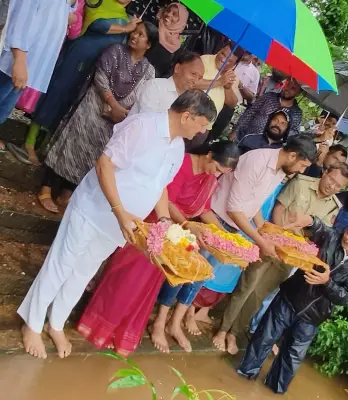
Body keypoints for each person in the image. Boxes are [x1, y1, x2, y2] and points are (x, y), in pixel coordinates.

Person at [17, 89, 217, 360]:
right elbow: (104, 164)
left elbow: (160, 187)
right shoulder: (142, 127)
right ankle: (32, 323)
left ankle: (55, 323)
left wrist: (165, 221)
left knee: (83, 272)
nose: (203, 131)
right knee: (62, 262)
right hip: (95, 209)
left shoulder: (177, 147)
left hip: (121, 223)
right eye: (202, 124)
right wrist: (120, 211)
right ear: (186, 116)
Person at [78, 141, 240, 356]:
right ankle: (100, 325)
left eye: (222, 173)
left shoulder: (209, 179)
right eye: (218, 169)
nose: (217, 175)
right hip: (154, 225)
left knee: (147, 284)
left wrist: (226, 236)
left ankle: (121, 330)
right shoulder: (182, 163)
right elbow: (167, 200)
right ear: (209, 155)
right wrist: (185, 224)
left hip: (175, 236)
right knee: (128, 278)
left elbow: (205, 209)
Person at [213, 162, 348, 355]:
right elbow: (278, 209)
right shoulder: (301, 183)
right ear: (325, 172)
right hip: (270, 245)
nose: (333, 187)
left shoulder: (333, 207)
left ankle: (234, 333)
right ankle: (222, 330)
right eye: (332, 179)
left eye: (339, 186)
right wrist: (280, 238)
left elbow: (320, 235)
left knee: (259, 295)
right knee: (247, 287)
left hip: (292, 257)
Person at [185, 136, 318, 335]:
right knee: (194, 270)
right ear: (292, 155)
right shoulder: (257, 161)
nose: (301, 170)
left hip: (233, 226)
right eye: (302, 165)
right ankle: (181, 315)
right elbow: (234, 209)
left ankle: (183, 313)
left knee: (205, 273)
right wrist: (260, 240)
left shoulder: (278, 170)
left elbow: (254, 202)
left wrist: (263, 227)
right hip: (216, 219)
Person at [238, 214, 348, 394]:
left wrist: (327, 282)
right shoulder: (332, 237)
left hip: (313, 316)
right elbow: (319, 227)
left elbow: (347, 297)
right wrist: (309, 220)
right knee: (264, 338)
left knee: (292, 358)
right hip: (290, 298)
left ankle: (273, 392)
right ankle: (242, 377)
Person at [37, 21, 157, 213]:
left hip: (115, 119)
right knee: (72, 144)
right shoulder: (115, 51)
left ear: (149, 44)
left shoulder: (148, 70)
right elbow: (100, 77)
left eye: (141, 35)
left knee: (91, 154)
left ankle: (66, 193)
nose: (134, 36)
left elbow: (142, 96)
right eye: (135, 31)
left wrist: (121, 112)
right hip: (93, 105)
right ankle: (46, 187)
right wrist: (114, 105)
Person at [22, 0, 139, 159]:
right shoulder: (99, 3)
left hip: (95, 66)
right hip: (78, 56)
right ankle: (29, 141)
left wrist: (132, 28)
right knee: (56, 92)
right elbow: (96, 25)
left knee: (69, 102)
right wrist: (126, 28)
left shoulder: (128, 18)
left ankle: (46, 146)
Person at [0, 0, 75, 151]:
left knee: (5, 105)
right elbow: (21, 17)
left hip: (32, 61)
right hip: (15, 58)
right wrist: (19, 59)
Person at [191, 41, 244, 149]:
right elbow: (193, 83)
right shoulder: (204, 60)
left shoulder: (232, 76)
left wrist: (227, 88)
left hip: (204, 127)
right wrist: (219, 82)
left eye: (229, 60)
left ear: (234, 64)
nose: (223, 59)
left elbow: (232, 103)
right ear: (220, 50)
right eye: (223, 54)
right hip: (189, 117)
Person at [128, 51, 204, 116]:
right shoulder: (155, 86)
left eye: (199, 78)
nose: (195, 80)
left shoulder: (189, 102)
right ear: (177, 68)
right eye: (193, 74)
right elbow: (146, 121)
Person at [235, 78, 302, 141]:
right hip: (247, 137)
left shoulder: (296, 113)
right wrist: (236, 131)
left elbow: (293, 134)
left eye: (293, 88)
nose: (287, 89)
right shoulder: (269, 97)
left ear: (298, 93)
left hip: (268, 148)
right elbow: (250, 113)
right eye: (287, 85)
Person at [146, 2, 189, 78]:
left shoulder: (179, 47)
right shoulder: (151, 29)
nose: (169, 14)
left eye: (174, 14)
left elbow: (169, 72)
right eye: (168, 11)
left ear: (181, 20)